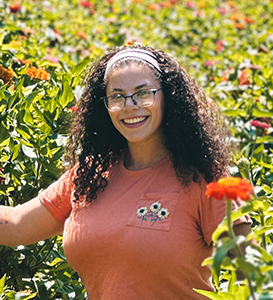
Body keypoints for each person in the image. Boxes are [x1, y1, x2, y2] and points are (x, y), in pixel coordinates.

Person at [0, 45, 251, 299]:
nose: (129, 106)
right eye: (117, 96)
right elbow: (17, 224)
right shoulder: (89, 176)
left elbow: (253, 276)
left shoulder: (205, 178)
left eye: (143, 93)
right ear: (105, 106)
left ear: (169, 96)